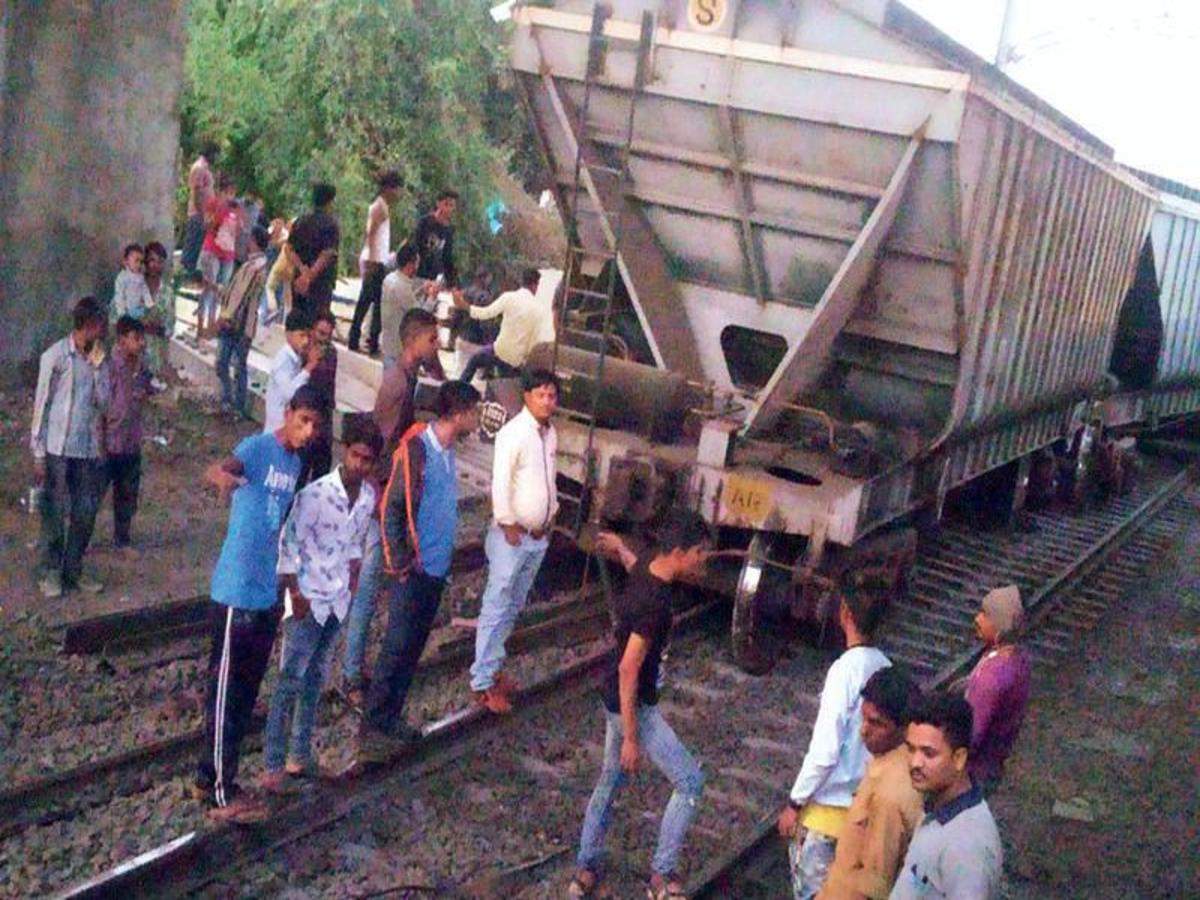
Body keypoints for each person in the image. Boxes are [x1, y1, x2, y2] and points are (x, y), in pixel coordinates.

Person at [192, 384, 322, 823]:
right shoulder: (259, 447)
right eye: (302, 421)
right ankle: (221, 794)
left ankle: (211, 777)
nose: (307, 432)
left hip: (265, 592)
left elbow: (280, 528)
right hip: (235, 590)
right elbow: (220, 468)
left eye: (315, 426)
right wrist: (222, 479)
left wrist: (286, 584)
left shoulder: (296, 464)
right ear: (287, 413)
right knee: (225, 695)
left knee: (244, 696)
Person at [569, 512, 710, 900]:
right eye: (699, 553)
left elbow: (635, 568)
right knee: (690, 783)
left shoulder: (650, 565)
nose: (703, 560)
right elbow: (629, 667)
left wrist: (619, 547)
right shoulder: (655, 605)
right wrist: (632, 736)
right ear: (680, 553)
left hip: (615, 700)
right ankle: (661, 879)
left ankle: (586, 867)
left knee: (610, 781)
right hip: (633, 707)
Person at [358, 381, 482, 756]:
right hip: (416, 571)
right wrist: (401, 565)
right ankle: (375, 722)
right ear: (458, 414)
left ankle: (390, 717)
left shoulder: (445, 452)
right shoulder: (417, 450)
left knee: (411, 649)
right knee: (397, 647)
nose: (477, 419)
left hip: (434, 570)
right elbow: (391, 509)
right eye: (474, 412)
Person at [262, 417, 383, 791]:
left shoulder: (367, 498)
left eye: (367, 459)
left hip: (336, 601)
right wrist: (295, 594)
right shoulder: (314, 495)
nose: (359, 465)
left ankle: (299, 756)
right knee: (289, 681)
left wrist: (351, 579)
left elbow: (355, 543)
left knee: (315, 680)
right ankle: (272, 765)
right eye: (355, 455)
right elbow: (288, 544)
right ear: (344, 451)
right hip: (308, 601)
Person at [341, 308, 443, 705]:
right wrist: (381, 496)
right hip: (381, 494)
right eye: (432, 340)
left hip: (385, 492)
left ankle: (353, 668)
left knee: (371, 580)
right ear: (413, 341)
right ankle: (350, 673)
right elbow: (378, 443)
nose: (436, 347)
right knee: (367, 583)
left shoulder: (408, 377)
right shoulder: (397, 383)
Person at [778, 583, 893, 900]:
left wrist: (794, 802)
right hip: (862, 817)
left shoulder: (843, 671)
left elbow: (825, 753)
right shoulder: (886, 666)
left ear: (845, 614)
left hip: (824, 818)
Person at [469, 368, 560, 714]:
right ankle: (481, 680)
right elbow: (500, 481)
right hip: (514, 536)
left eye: (552, 396)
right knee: (497, 603)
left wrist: (552, 512)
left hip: (538, 537)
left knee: (513, 605)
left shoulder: (549, 435)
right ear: (527, 397)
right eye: (541, 394)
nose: (547, 401)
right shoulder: (514, 433)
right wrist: (506, 521)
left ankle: (492, 668)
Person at [817, 667, 924, 900]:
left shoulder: (888, 795)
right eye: (863, 718)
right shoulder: (887, 763)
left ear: (904, 728)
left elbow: (870, 887)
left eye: (877, 723)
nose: (864, 730)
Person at [31, 297, 111, 598]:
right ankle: (50, 572)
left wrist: (98, 370)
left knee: (85, 512)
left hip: (88, 450)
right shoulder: (55, 357)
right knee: (53, 512)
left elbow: (103, 404)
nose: (101, 332)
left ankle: (73, 569)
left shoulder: (98, 360)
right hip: (57, 450)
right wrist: (38, 451)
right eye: (98, 326)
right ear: (87, 326)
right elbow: (43, 405)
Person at [889, 694, 1002, 900]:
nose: (915, 762)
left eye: (928, 754)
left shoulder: (968, 847)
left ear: (959, 758)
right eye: (911, 749)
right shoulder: (935, 807)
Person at [964, 585, 1031, 794]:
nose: (977, 618)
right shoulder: (1018, 658)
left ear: (1000, 625)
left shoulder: (994, 675)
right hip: (993, 764)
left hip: (974, 772)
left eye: (985, 614)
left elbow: (973, 733)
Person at [103, 316, 153, 554]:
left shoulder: (141, 367)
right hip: (108, 440)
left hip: (131, 440)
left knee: (127, 495)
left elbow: (147, 391)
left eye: (141, 338)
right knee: (91, 496)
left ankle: (122, 540)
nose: (141, 343)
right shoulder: (109, 365)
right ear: (122, 340)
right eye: (136, 338)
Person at [456, 268, 554, 383]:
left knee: (475, 360)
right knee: (506, 385)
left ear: (522, 282)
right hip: (516, 360)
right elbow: (538, 340)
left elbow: (485, 313)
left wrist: (466, 306)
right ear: (535, 285)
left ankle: (460, 388)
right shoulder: (539, 309)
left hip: (499, 351)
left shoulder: (508, 297)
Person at [216, 224, 271, 418]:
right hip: (243, 324)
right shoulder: (254, 265)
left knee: (229, 364)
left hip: (238, 324)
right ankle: (233, 404)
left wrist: (226, 317)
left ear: (254, 241)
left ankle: (233, 404)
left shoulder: (254, 267)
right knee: (235, 365)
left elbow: (241, 296)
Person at [349, 171, 403, 355]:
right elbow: (371, 234)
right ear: (389, 188)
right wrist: (371, 260)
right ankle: (365, 340)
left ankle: (361, 339)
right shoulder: (379, 208)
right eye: (397, 189)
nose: (398, 193)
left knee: (371, 303)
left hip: (379, 259)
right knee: (372, 304)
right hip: (375, 261)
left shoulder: (383, 207)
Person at [380, 243, 437, 368]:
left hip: (389, 345)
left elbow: (404, 302)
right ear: (410, 264)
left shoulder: (390, 278)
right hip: (399, 352)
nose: (418, 267)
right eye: (417, 263)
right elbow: (420, 316)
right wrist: (432, 297)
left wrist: (422, 290)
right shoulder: (401, 287)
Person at [263, 309, 321, 434]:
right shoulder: (283, 361)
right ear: (288, 335)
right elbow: (289, 393)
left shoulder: (297, 357)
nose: (306, 341)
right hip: (277, 429)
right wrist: (309, 368)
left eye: (308, 336)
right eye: (301, 335)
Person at [299, 309, 338, 485]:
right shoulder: (301, 351)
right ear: (312, 330)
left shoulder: (331, 353)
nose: (324, 339)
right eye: (321, 333)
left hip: (323, 420)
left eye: (328, 336)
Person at [197, 176, 240, 338]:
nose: (230, 196)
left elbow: (237, 232)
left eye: (232, 193)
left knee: (221, 290)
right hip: (212, 250)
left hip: (228, 253)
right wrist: (219, 211)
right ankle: (202, 325)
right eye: (227, 192)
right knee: (209, 287)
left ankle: (213, 326)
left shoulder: (235, 209)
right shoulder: (213, 204)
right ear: (220, 192)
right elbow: (207, 225)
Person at [289, 183, 340, 316]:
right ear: (330, 201)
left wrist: (302, 271)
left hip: (298, 280)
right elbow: (327, 253)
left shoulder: (300, 221)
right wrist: (309, 276)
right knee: (316, 322)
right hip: (320, 282)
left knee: (298, 321)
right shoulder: (331, 224)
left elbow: (290, 249)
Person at [182, 142, 218, 278]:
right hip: (198, 214)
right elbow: (197, 192)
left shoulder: (205, 168)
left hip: (204, 214)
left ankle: (190, 273)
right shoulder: (199, 168)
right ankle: (185, 274)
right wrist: (202, 213)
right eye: (215, 155)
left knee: (198, 245)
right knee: (192, 244)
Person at [412, 189, 459, 288]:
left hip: (434, 279)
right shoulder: (424, 222)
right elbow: (414, 245)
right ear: (438, 203)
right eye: (446, 204)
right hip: (418, 275)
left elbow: (447, 257)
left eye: (452, 206)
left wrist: (452, 283)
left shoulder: (449, 231)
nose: (449, 209)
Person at [142, 241, 175, 376]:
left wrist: (157, 328)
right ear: (145, 263)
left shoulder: (168, 293)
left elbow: (170, 327)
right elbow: (117, 318)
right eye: (152, 260)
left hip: (157, 362)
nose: (156, 265)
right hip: (134, 362)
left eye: (160, 261)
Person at [111, 244, 154, 322]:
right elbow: (119, 295)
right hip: (125, 309)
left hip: (137, 308)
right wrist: (122, 312)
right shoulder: (122, 277)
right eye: (136, 261)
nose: (139, 265)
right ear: (126, 262)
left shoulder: (140, 277)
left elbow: (145, 290)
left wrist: (149, 303)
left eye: (141, 262)